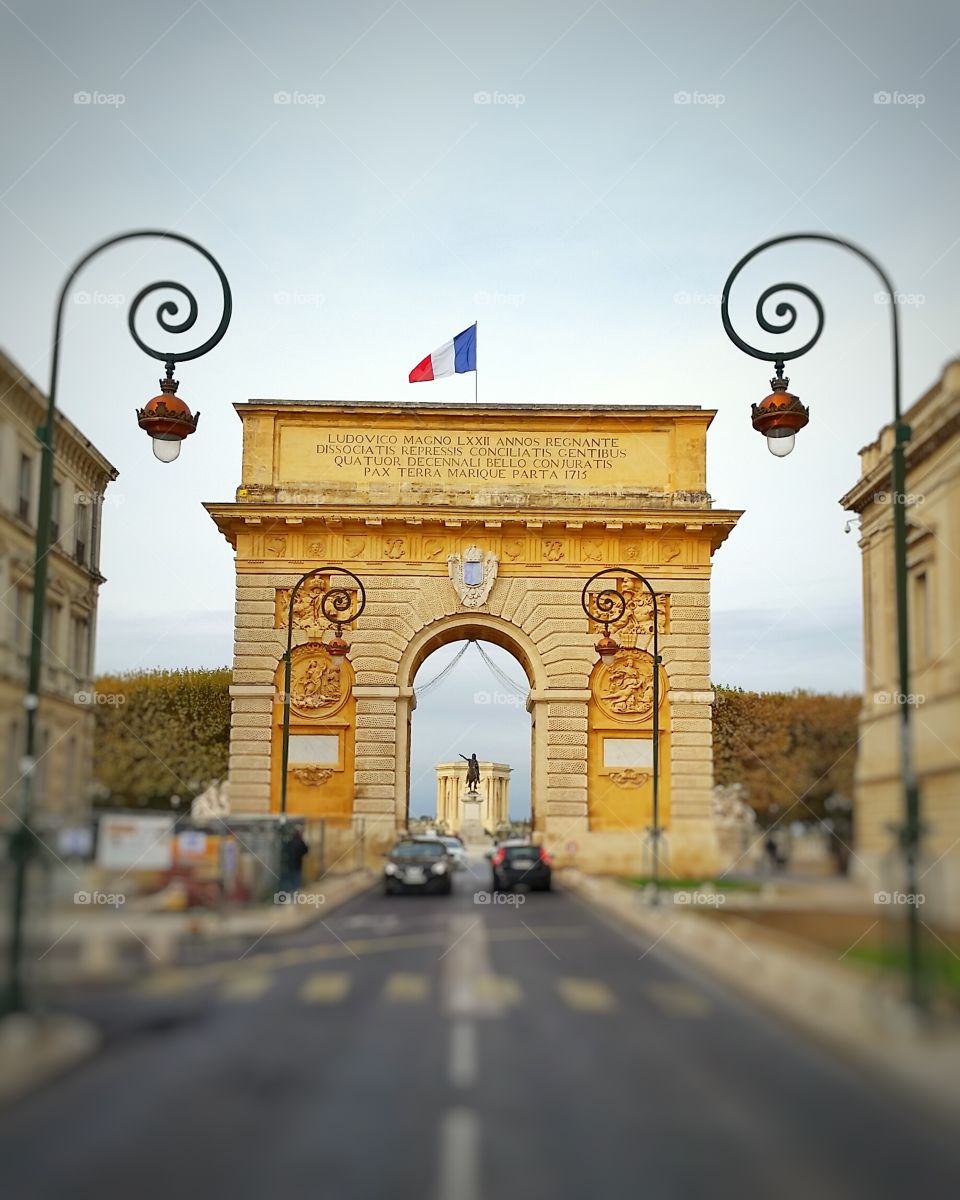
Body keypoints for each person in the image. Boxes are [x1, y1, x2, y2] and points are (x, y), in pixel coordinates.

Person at [279, 821, 309, 892]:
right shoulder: (299, 842)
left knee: (293, 877)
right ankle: (294, 890)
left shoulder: (292, 841)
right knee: (295, 878)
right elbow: (305, 851)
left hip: (292, 864)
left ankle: (292, 890)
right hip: (296, 864)